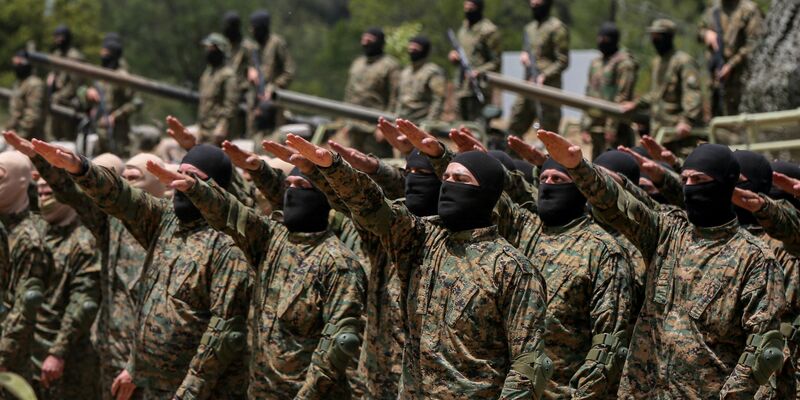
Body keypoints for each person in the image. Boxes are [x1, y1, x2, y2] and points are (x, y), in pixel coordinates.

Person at [287, 130, 552, 398]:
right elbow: (372, 205)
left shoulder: (511, 269)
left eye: (461, 179)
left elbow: (528, 364)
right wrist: (333, 167)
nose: (448, 185)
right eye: (446, 178)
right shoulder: (422, 240)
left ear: (486, 192)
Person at [538, 129, 786, 398]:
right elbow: (617, 204)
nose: (690, 187)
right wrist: (578, 167)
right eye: (685, 179)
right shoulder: (667, 233)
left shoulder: (754, 258)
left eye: (699, 179)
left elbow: (761, 350)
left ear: (726, 184)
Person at [30, 140, 252, 399]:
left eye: (193, 178)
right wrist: (81, 168)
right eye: (179, 174)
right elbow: (121, 195)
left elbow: (224, 331)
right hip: (154, 385)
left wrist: (188, 392)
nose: (180, 183)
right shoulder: (167, 221)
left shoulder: (229, 243)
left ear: (217, 188)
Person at [147, 143, 367, 399]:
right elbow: (232, 211)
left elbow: (337, 348)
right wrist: (195, 189)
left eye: (302, 186)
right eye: (289, 185)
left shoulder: (339, 264)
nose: (292, 192)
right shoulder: (271, 238)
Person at [438, 127, 633, 398]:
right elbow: (483, 189)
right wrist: (444, 156)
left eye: (558, 179)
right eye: (544, 178)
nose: (549, 184)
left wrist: (583, 394)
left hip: (562, 392)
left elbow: (608, 341)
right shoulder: (526, 228)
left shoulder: (603, 251)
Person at [5, 130, 168, 400]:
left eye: (133, 178)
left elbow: (166, 311)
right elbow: (74, 195)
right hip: (109, 355)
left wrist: (137, 365)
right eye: (124, 179)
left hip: (148, 366)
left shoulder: (170, 232)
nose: (126, 185)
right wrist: (42, 160)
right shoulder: (112, 226)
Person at [31, 175, 101, 400]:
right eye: (40, 192)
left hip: (65, 358)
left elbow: (84, 300)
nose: (43, 196)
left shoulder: (83, 241)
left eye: (49, 191)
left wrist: (57, 352)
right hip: (31, 351)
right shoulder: (38, 232)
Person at [0, 150, 53, 384]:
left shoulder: (29, 240)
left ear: (21, 183)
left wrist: (3, 356)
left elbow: (24, 307)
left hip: (14, 358)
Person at [622, 19, 702, 159]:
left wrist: (687, 120)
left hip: (677, 133)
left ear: (668, 37)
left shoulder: (683, 61)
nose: (655, 41)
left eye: (658, 37)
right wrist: (636, 104)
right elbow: (656, 94)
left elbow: (692, 93)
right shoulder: (657, 62)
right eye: (653, 36)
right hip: (659, 131)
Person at [509, 0, 569, 137]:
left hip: (547, 88)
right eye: (532, 4)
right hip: (528, 84)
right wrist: (524, 55)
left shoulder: (557, 28)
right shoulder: (530, 28)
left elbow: (563, 61)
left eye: (538, 4)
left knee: (549, 131)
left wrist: (545, 75)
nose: (534, 6)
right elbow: (527, 50)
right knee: (514, 125)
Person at [580, 23, 638, 159]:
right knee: (596, 166)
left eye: (605, 39)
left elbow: (622, 97)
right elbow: (589, 95)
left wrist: (611, 127)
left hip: (616, 131)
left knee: (615, 165)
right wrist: (584, 126)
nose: (601, 42)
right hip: (596, 128)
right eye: (599, 38)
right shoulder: (596, 63)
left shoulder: (624, 64)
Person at [698, 0, 763, 117]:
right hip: (716, 83)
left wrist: (731, 65)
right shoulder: (714, 9)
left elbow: (754, 43)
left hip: (741, 83)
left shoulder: (749, 10)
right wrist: (706, 34)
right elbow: (699, 31)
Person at [343, 28, 400, 157]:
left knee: (379, 164)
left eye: (370, 40)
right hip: (354, 126)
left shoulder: (390, 65)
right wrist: (346, 122)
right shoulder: (357, 64)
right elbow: (349, 93)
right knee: (354, 163)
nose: (365, 43)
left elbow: (395, 98)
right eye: (363, 39)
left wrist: (386, 127)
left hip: (375, 127)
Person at [84, 33, 139, 156]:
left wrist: (115, 116)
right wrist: (88, 92)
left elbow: (136, 103)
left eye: (106, 52)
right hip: (97, 131)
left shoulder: (122, 76)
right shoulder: (100, 72)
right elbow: (82, 90)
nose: (102, 55)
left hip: (117, 134)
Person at [247, 10, 295, 139]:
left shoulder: (276, 43)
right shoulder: (254, 48)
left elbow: (289, 71)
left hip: (273, 105)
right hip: (256, 102)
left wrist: (273, 88)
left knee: (273, 141)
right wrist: (250, 71)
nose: (252, 31)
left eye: (254, 28)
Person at [450, 0, 501, 122]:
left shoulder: (488, 30)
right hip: (462, 86)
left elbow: (496, 62)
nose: (467, 10)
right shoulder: (464, 28)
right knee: (459, 125)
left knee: (477, 126)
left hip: (478, 87)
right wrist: (454, 56)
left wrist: (479, 71)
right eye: (466, 6)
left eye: (471, 7)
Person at [197, 33, 238, 145]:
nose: (208, 51)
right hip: (204, 128)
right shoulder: (208, 73)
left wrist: (222, 125)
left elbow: (231, 105)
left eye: (211, 48)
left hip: (217, 130)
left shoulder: (227, 75)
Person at [221, 11, 256, 140]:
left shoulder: (247, 47)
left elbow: (255, 70)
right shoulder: (226, 47)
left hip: (244, 92)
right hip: (228, 91)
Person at [394, 36, 446, 122]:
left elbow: (438, 99)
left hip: (421, 121)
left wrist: (430, 123)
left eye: (416, 48)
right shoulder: (405, 72)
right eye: (410, 47)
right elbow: (400, 99)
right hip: (403, 119)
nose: (411, 50)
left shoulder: (432, 72)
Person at [47, 25, 85, 141]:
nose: (58, 40)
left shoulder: (74, 56)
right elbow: (53, 75)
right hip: (56, 97)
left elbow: (75, 84)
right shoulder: (57, 54)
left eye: (61, 37)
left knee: (67, 137)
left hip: (69, 100)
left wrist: (59, 96)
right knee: (52, 135)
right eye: (56, 37)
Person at [6, 51, 46, 140]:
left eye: (19, 63)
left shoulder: (34, 84)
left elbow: (32, 115)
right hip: (17, 134)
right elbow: (15, 113)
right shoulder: (19, 83)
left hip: (31, 139)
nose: (17, 66)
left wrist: (19, 137)